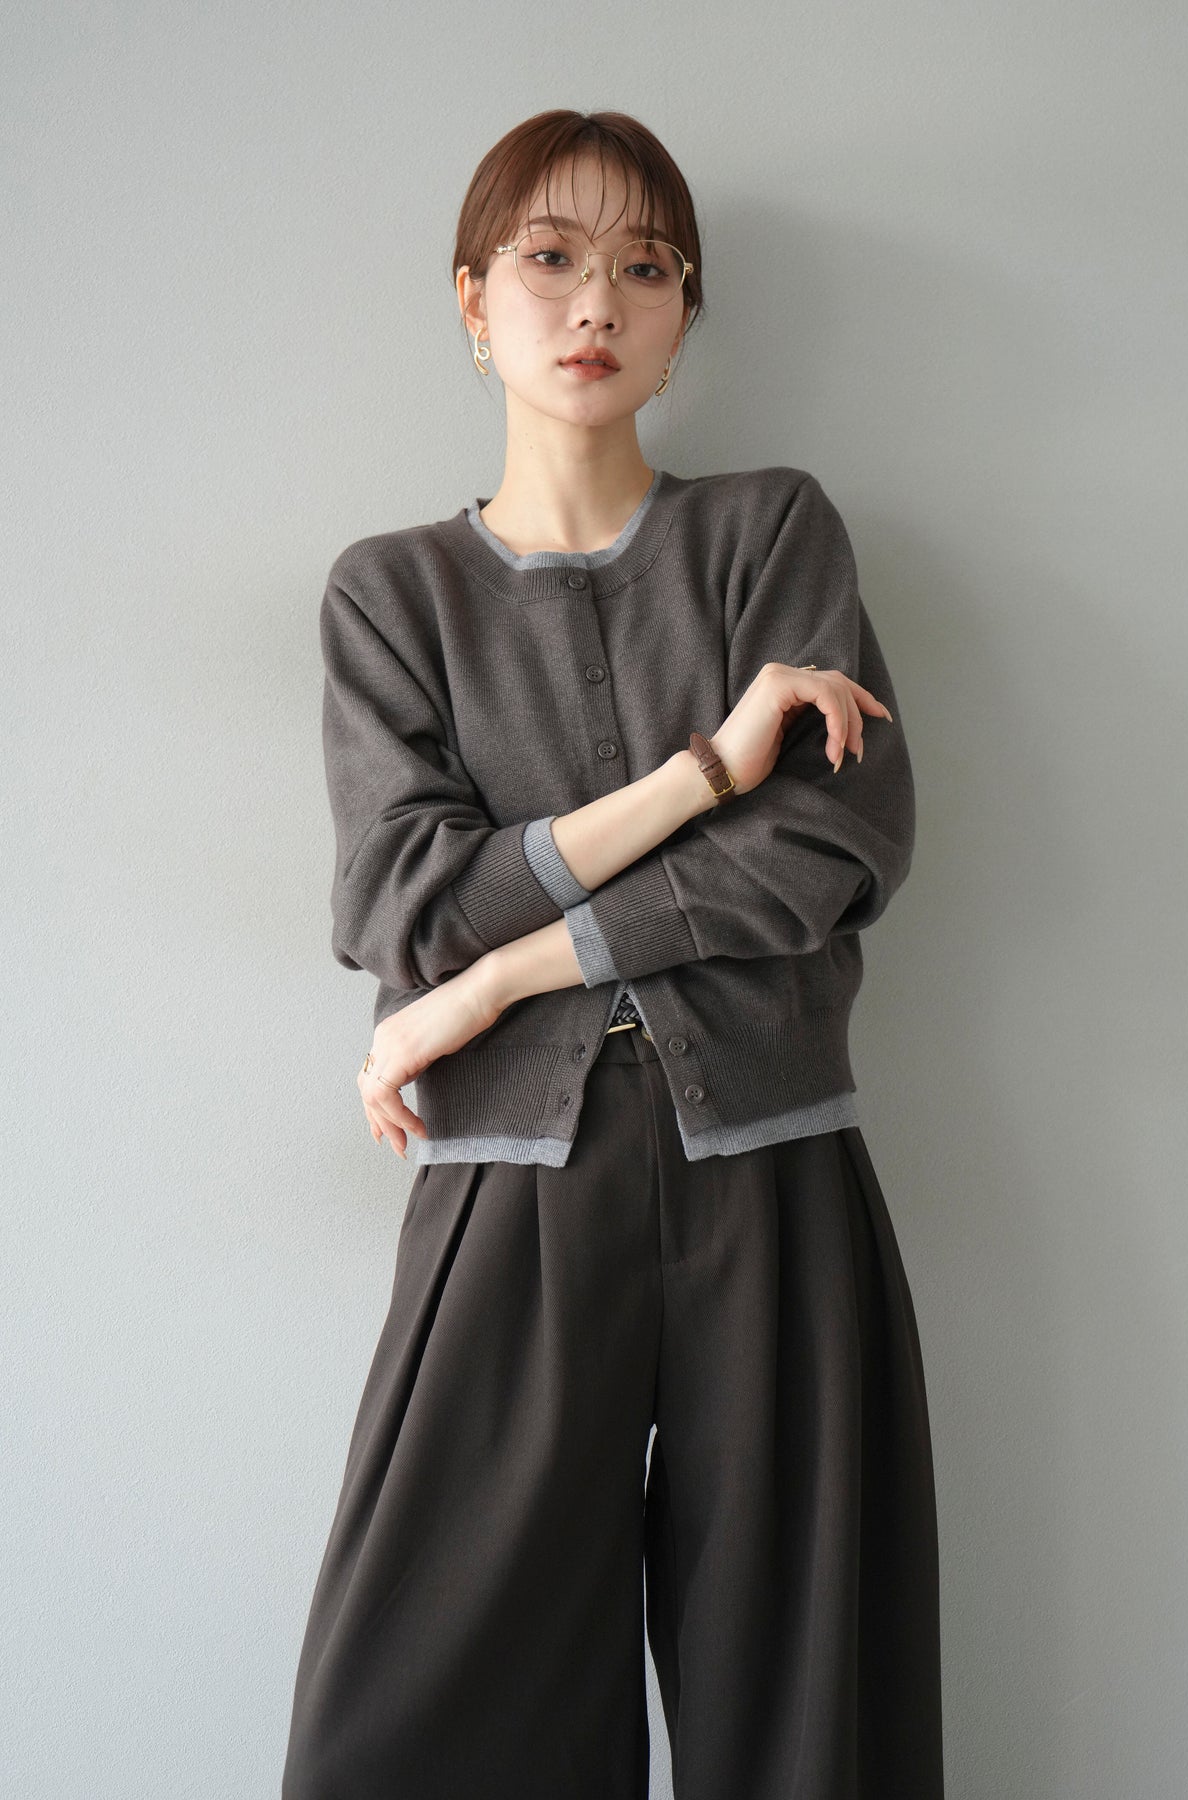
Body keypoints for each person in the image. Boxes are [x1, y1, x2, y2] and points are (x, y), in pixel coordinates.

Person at [282, 108, 944, 1800]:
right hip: (508, 1189)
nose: (597, 301)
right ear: (471, 298)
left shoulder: (769, 535)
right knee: (418, 1717)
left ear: (683, 315)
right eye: (549, 258)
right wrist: (706, 770)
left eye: (646, 268)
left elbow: (830, 850)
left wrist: (499, 980)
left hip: (772, 1173)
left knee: (804, 1713)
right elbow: (402, 899)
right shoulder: (392, 596)